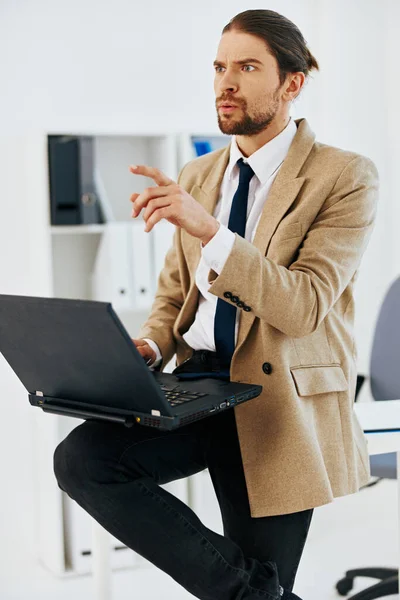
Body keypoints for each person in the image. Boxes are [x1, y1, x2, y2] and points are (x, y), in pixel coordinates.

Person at [53, 9, 379, 600]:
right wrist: (151, 343)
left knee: (255, 583)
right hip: (202, 384)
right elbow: (175, 295)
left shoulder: (345, 176)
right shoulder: (198, 173)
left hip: (281, 403)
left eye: (247, 66)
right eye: (220, 66)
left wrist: (213, 233)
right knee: (84, 461)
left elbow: (304, 305)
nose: (225, 82)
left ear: (292, 82)